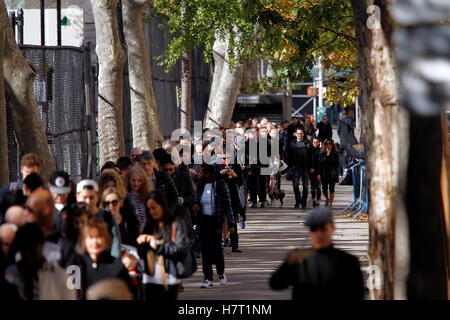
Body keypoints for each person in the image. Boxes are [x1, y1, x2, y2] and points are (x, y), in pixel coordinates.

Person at [269, 207, 364, 300]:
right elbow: (275, 284)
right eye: (314, 229)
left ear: (332, 228)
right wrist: (287, 265)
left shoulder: (348, 261)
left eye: (323, 229)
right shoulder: (300, 257)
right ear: (310, 233)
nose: (318, 234)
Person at [137, 191, 189, 300]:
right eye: (149, 209)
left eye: (154, 208)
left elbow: (180, 250)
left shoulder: (175, 224)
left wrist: (156, 244)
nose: (152, 211)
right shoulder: (147, 225)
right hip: (150, 277)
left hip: (169, 276)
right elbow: (141, 254)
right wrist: (140, 243)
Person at [5, 223, 76, 300]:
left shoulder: (60, 276)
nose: (28, 254)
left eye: (32, 249)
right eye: (24, 250)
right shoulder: (10, 275)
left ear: (42, 245)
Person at [193, 164, 235, 288]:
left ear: (208, 174)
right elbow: (196, 200)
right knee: (205, 251)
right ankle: (207, 278)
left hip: (216, 222)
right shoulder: (200, 186)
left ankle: (221, 273)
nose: (198, 174)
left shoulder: (221, 185)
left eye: (200, 172)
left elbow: (227, 205)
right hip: (203, 221)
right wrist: (196, 206)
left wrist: (231, 223)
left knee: (217, 250)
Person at [77, 219, 133, 299]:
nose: (95, 242)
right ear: (84, 240)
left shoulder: (116, 265)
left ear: (106, 239)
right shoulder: (76, 264)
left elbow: (128, 293)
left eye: (99, 237)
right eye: (91, 237)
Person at [23, 188, 79, 268]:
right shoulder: (20, 240)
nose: (25, 213)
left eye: (30, 210)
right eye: (25, 208)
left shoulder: (65, 247)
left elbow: (73, 280)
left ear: (45, 210)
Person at [76, 180, 121, 258]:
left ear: (97, 196)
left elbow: (115, 241)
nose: (88, 201)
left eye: (91, 197)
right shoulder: (72, 215)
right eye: (84, 197)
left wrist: (114, 263)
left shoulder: (107, 216)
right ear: (77, 197)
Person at [136, 151, 180, 215]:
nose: (147, 167)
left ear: (154, 162)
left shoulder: (163, 177)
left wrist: (167, 213)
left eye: (149, 163)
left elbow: (175, 199)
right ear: (139, 164)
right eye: (144, 164)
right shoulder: (136, 179)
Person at [288, 128, 311, 209]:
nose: (300, 135)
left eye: (301, 133)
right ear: (296, 134)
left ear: (303, 134)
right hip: (295, 167)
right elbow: (288, 155)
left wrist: (311, 166)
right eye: (298, 133)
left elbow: (311, 155)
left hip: (305, 167)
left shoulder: (308, 143)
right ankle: (298, 201)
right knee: (295, 185)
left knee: (305, 186)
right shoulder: (292, 143)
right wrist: (291, 165)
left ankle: (303, 202)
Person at [49, 171, 75, 240]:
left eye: (63, 192)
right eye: (57, 192)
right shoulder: (47, 211)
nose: (60, 195)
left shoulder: (74, 211)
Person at [318, 139, 341, 208]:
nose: (328, 145)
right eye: (326, 144)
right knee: (324, 189)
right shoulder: (322, 153)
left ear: (332, 145)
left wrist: (339, 174)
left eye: (330, 143)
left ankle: (331, 203)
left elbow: (338, 165)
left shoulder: (335, 153)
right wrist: (318, 174)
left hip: (332, 173)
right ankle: (327, 199)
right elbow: (319, 164)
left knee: (332, 188)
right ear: (324, 145)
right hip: (324, 173)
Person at [310, 137, 322, 207]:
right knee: (312, 188)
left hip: (319, 172)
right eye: (314, 142)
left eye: (317, 142)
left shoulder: (321, 151)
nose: (315, 144)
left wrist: (319, 173)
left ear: (319, 143)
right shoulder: (310, 151)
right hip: (311, 172)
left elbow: (321, 164)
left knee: (318, 187)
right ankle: (313, 199)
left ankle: (318, 201)